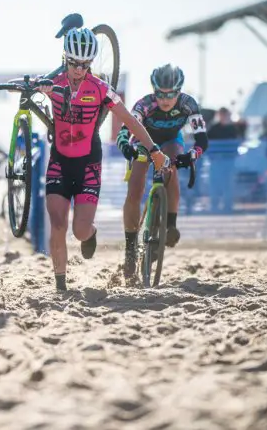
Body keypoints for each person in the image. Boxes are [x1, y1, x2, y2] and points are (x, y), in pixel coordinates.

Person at [36, 28, 169, 292]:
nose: (79, 69)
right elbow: (25, 89)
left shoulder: (100, 88)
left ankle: (91, 234)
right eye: (74, 62)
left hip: (88, 164)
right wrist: (35, 89)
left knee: (80, 230)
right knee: (58, 224)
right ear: (65, 57)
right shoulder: (55, 83)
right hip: (59, 162)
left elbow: (130, 121)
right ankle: (61, 286)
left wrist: (154, 149)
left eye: (85, 64)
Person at [116, 64, 209, 280]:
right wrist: (125, 145)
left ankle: (171, 226)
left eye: (171, 94)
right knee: (136, 188)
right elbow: (126, 129)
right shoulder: (144, 104)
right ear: (153, 90)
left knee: (172, 165)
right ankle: (130, 249)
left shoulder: (189, 104)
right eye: (160, 94)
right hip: (144, 140)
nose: (165, 100)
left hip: (170, 140)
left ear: (180, 91)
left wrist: (192, 155)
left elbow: (202, 139)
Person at [207, 107, 239, 213]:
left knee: (228, 185)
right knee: (214, 185)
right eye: (221, 114)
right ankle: (214, 207)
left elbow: (236, 143)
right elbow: (206, 143)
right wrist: (213, 156)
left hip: (228, 162)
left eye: (225, 114)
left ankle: (228, 207)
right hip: (216, 162)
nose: (223, 116)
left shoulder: (232, 129)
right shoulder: (213, 128)